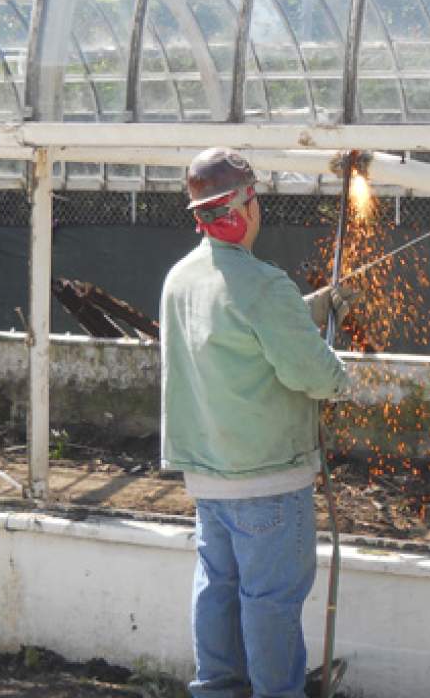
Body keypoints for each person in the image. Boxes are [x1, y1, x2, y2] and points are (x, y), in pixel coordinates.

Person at [160, 147, 354, 698]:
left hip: (209, 478)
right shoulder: (264, 284)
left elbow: (234, 331)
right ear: (244, 206)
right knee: (270, 604)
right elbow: (311, 373)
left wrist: (308, 306)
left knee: (217, 592)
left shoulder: (180, 279)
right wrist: (343, 378)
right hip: (268, 480)